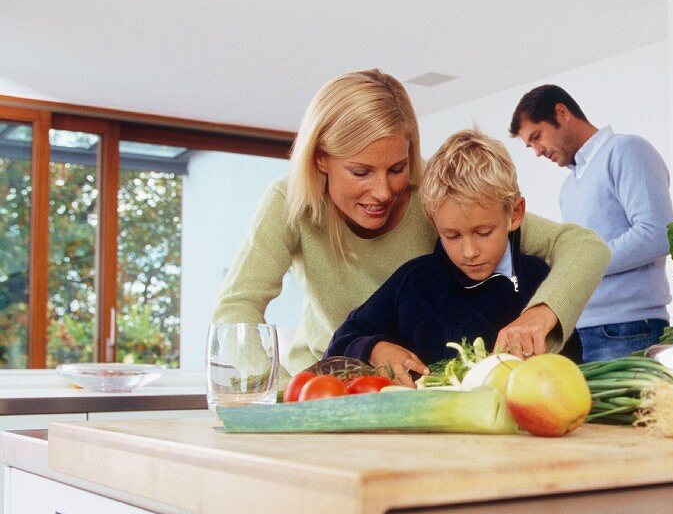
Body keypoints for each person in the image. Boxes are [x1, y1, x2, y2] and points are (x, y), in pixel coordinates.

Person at [212, 70, 608, 385]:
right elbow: (237, 308)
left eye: (398, 168)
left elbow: (582, 246)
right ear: (320, 159)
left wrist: (539, 314)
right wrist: (278, 393)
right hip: (330, 386)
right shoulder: (288, 202)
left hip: (416, 393)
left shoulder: (435, 198)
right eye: (361, 172)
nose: (383, 191)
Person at [325, 128, 582, 369]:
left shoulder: (539, 279)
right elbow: (341, 342)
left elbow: (572, 365)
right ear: (434, 225)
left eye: (483, 233)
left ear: (515, 214)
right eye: (452, 236)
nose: (469, 251)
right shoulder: (412, 282)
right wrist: (375, 349)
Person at [509, 85, 673, 362]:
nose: (537, 151)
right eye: (530, 145)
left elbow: (656, 233)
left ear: (561, 113)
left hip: (628, 329)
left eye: (537, 137)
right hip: (579, 331)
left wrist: (581, 264)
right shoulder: (569, 187)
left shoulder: (626, 150)